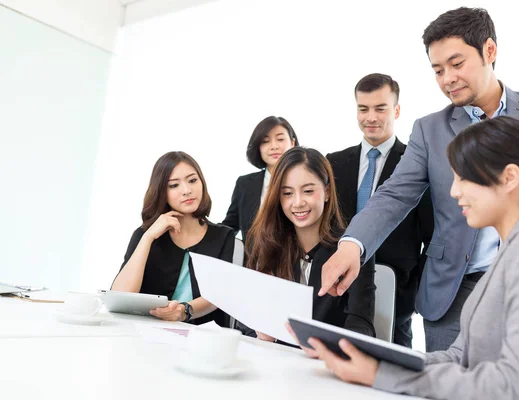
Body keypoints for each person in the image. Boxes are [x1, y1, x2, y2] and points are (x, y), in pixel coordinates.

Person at [320, 6, 519, 351]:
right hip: (455, 292)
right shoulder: (429, 129)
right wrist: (352, 245)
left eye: (456, 64)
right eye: (437, 70)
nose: (446, 79)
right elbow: (394, 195)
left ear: (489, 51)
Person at [306, 116, 519, 399]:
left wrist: (381, 376)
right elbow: (461, 357)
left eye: (464, 178)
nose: (453, 191)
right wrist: (377, 362)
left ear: (509, 177)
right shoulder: (513, 250)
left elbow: (517, 386)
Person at [326, 73, 433, 347]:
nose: (370, 117)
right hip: (339, 289)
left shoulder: (416, 164)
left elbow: (431, 236)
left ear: (396, 110)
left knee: (394, 376)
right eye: (363, 109)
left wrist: (415, 293)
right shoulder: (334, 163)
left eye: (380, 108)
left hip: (396, 294)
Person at [241, 147, 375, 344]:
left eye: (308, 191)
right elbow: (246, 316)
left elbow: (362, 325)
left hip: (328, 365)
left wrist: (326, 346)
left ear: (327, 192)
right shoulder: (267, 243)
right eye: (287, 193)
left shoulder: (352, 249)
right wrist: (260, 334)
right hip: (275, 362)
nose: (297, 202)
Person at [112, 151, 235, 326]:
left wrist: (184, 311)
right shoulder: (144, 235)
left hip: (202, 340)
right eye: (174, 185)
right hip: (146, 336)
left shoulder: (224, 236)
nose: (187, 190)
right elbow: (120, 297)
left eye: (193, 180)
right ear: (161, 191)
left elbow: (219, 295)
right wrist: (148, 238)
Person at [222, 116, 299, 244]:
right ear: (258, 147)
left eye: (280, 139)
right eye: (265, 141)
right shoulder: (244, 184)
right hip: (253, 262)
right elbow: (229, 226)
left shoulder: (306, 180)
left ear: (292, 143)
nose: (274, 146)